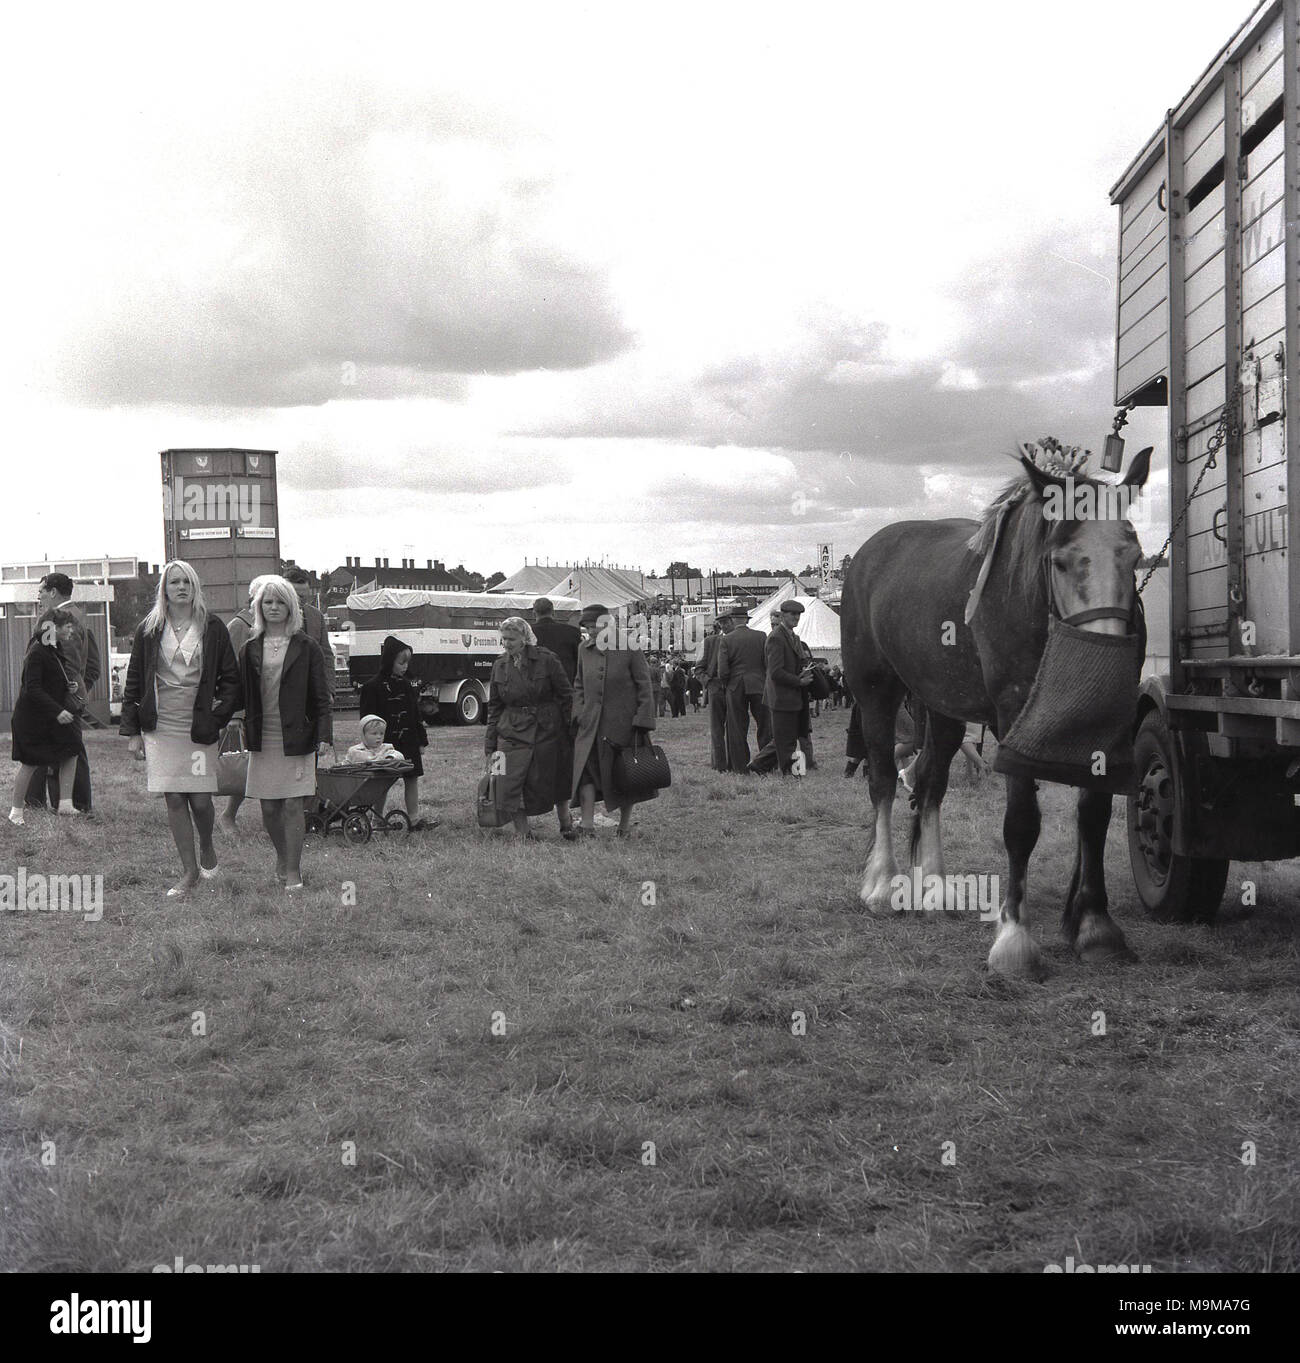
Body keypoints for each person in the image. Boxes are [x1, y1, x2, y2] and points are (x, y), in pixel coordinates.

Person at [118, 560, 242, 896]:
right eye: (174, 582)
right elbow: (134, 680)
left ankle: (207, 845)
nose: (181, 587)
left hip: (198, 726)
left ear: (195, 587)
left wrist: (217, 718)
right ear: (165, 589)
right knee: (174, 796)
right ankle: (189, 873)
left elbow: (231, 680)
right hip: (161, 726)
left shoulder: (212, 626)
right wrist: (132, 732)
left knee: (201, 800)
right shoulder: (150, 627)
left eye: (187, 581)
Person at [240, 576, 334, 892]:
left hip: (297, 736)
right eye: (268, 602)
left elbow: (321, 697)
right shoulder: (249, 648)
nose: (274, 607)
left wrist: (324, 735)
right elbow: (240, 693)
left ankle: (293, 871)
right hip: (262, 737)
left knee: (294, 805)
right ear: (259, 607)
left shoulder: (307, 647)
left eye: (281, 602)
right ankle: (282, 856)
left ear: (291, 607)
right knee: (268, 808)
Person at [484, 616, 575, 840]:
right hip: (510, 730)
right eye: (503, 638)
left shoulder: (547, 659)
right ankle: (523, 832)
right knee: (506, 779)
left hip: (546, 729)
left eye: (511, 639)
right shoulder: (499, 665)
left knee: (554, 777)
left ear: (524, 638)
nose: (506, 643)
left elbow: (566, 695)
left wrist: (570, 729)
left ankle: (566, 823)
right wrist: (490, 742)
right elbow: (494, 707)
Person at [571, 604, 657, 836]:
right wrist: (579, 712)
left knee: (624, 775)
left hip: (623, 726)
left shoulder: (630, 646)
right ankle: (587, 825)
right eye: (587, 627)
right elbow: (579, 684)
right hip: (590, 726)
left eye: (594, 627)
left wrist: (643, 719)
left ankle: (624, 825)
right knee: (586, 774)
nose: (590, 632)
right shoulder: (583, 649)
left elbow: (644, 686)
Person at [24, 573, 101, 814]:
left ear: (54, 592)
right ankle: (69, 803)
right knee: (69, 748)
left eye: (42, 591)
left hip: (56, 699)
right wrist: (80, 692)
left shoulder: (56, 621)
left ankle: (64, 804)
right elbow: (90, 666)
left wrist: (54, 700)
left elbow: (54, 662)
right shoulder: (79, 616)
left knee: (63, 749)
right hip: (67, 698)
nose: (39, 596)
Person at [8, 610, 88, 827]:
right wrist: (57, 710)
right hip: (32, 719)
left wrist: (68, 686)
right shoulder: (37, 652)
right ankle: (15, 812)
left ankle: (65, 804)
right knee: (31, 763)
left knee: (72, 749)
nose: (71, 629)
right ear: (53, 628)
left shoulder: (53, 649)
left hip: (47, 717)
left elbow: (49, 680)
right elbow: (32, 689)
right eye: (67, 626)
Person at [357, 634, 434, 829]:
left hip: (408, 741)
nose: (405, 666)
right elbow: (366, 719)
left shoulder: (407, 686)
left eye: (407, 662)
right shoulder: (371, 687)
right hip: (383, 744)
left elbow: (415, 715)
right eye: (401, 662)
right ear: (390, 661)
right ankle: (376, 819)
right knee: (382, 781)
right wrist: (370, 743)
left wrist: (421, 741)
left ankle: (415, 819)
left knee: (412, 777)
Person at [218, 574, 272, 837]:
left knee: (264, 764)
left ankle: (268, 821)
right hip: (248, 708)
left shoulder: (271, 624)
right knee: (247, 765)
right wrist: (236, 712)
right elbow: (230, 672)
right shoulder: (239, 626)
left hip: (269, 705)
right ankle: (228, 815)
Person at [753, 600, 814, 775]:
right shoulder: (776, 638)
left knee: (788, 736)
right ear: (783, 615)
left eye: (798, 615)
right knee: (786, 739)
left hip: (791, 695)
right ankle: (792, 773)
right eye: (792, 614)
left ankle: (758, 764)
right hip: (781, 696)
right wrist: (798, 680)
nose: (796, 618)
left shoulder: (792, 636)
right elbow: (775, 672)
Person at [717, 606, 771, 772]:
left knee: (737, 728)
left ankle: (740, 767)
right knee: (765, 725)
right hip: (759, 684)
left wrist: (727, 684)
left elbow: (723, 670)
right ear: (747, 620)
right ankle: (765, 763)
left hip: (735, 686)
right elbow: (767, 663)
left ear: (732, 620)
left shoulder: (726, 640)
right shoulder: (761, 636)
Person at [702, 617, 732, 770]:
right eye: (723, 623)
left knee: (735, 727)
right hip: (716, 687)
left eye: (728, 622)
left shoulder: (738, 640)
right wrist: (709, 682)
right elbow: (700, 667)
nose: (725, 625)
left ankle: (734, 763)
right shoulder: (711, 641)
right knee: (717, 729)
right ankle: (719, 765)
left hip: (734, 688)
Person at [531, 597, 580, 683]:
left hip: (537, 686)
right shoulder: (572, 632)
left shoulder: (528, 633)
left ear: (534, 613)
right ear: (553, 613)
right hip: (566, 684)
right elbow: (579, 662)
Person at [285, 566, 330, 653]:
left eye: (303, 596)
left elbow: (326, 652)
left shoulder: (317, 616)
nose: (299, 601)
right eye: (295, 596)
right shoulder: (274, 616)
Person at [667, 653, 688, 717]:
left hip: (678, 689)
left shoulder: (678, 671)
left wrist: (676, 687)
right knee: (677, 702)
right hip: (678, 689)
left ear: (674, 664)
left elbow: (679, 681)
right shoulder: (678, 670)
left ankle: (679, 713)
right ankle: (677, 713)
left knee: (679, 701)